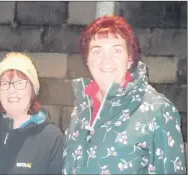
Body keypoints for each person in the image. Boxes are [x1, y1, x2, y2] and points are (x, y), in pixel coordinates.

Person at [62, 16, 186, 174]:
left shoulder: (158, 111)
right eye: (97, 51)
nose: (106, 61)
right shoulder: (82, 106)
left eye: (116, 51)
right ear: (87, 59)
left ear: (129, 59)